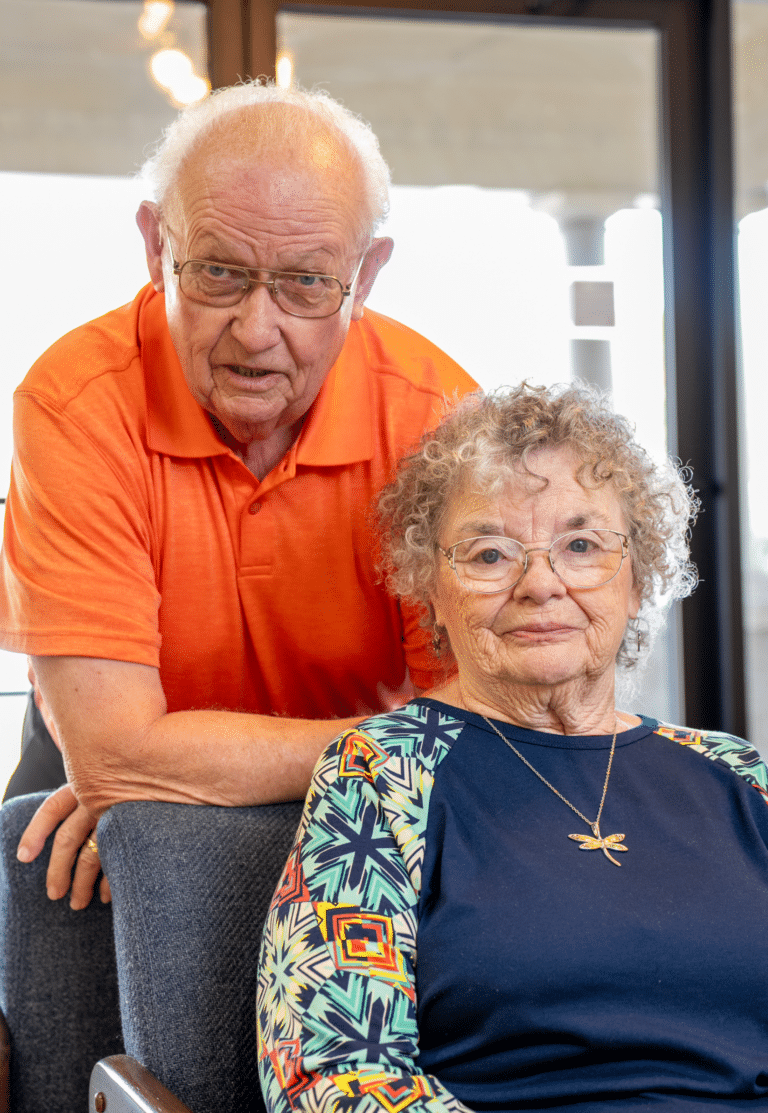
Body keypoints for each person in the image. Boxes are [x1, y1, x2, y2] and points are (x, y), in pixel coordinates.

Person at [0, 79, 475, 908]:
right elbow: (110, 756)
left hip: (347, 785)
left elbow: (484, 731)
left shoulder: (439, 420)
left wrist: (167, 771)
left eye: (305, 283)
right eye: (219, 272)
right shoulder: (74, 400)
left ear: (366, 273)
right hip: (99, 768)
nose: (258, 330)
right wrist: (126, 770)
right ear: (156, 249)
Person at [258, 381, 768, 1111]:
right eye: (491, 553)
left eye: (582, 545)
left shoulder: (737, 774)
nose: (541, 584)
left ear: (637, 575)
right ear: (431, 586)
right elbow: (332, 1075)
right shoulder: (383, 774)